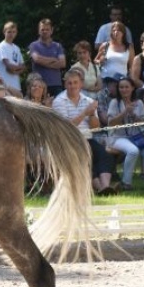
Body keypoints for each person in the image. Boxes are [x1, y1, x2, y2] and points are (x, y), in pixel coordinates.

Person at [51, 67, 115, 195]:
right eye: (69, 83)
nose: (72, 86)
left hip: (87, 138)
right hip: (68, 140)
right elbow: (67, 127)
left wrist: (91, 115)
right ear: (65, 84)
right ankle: (100, 188)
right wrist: (85, 112)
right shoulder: (59, 101)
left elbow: (95, 127)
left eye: (75, 82)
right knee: (84, 158)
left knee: (104, 155)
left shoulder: (88, 101)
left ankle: (105, 186)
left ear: (81, 83)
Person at [106, 77, 144, 190]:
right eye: (121, 87)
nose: (124, 90)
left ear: (132, 88)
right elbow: (110, 123)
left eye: (126, 87)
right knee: (133, 150)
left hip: (137, 137)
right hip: (117, 137)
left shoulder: (139, 103)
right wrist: (125, 112)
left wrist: (134, 116)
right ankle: (126, 183)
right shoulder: (115, 102)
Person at [29, 18, 66, 98]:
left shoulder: (58, 46)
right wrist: (54, 60)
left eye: (47, 29)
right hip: (39, 86)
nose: (45, 31)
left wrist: (43, 61)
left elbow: (62, 63)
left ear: (51, 30)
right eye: (42, 29)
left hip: (56, 84)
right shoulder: (33, 45)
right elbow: (37, 59)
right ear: (39, 31)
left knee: (58, 109)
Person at [0, 21, 25, 92]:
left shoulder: (17, 48)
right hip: (3, 85)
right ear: (4, 32)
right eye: (9, 32)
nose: (11, 34)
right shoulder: (1, 46)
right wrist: (16, 68)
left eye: (14, 32)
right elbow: (8, 65)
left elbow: (23, 66)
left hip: (16, 86)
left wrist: (15, 71)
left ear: (16, 33)